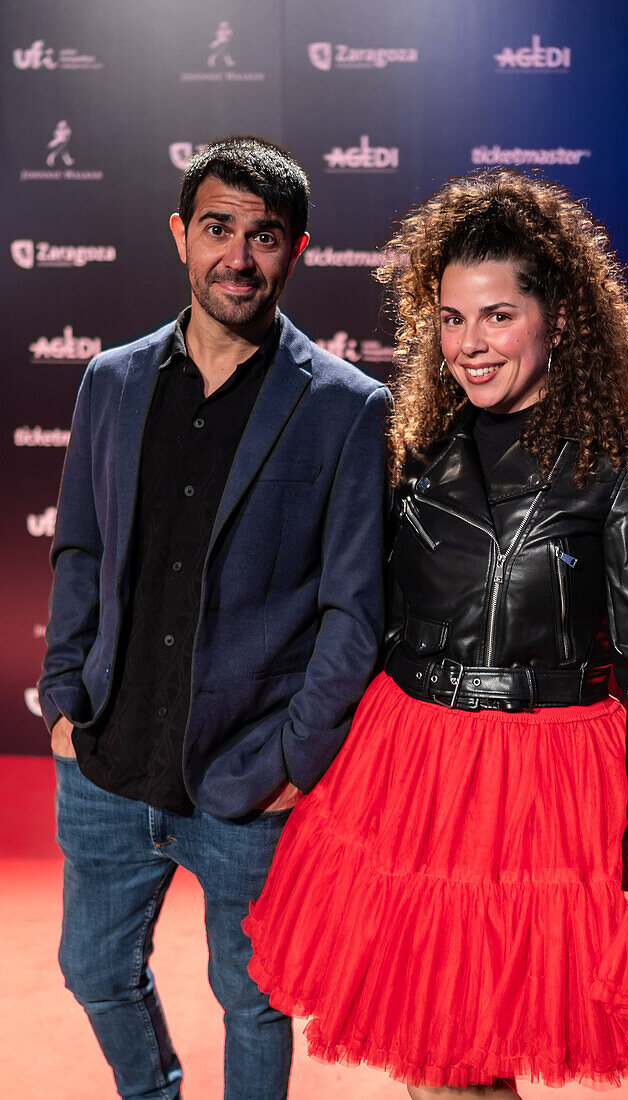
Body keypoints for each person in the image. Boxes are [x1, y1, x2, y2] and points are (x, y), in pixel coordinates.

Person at [244, 169, 628, 1097]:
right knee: (439, 1056)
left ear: (562, 318)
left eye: (497, 316)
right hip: (409, 764)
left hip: (541, 779)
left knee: (472, 1054)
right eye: (452, 320)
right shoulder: (413, 439)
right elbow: (356, 609)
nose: (469, 344)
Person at [39, 135, 390, 1100]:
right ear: (180, 238)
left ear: (298, 250)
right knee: (94, 972)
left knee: (254, 1002)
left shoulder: (350, 408)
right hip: (108, 761)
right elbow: (80, 549)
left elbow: (353, 610)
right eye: (218, 229)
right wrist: (66, 702)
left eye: (264, 236)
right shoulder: (109, 380)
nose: (239, 255)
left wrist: (293, 761)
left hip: (248, 780)